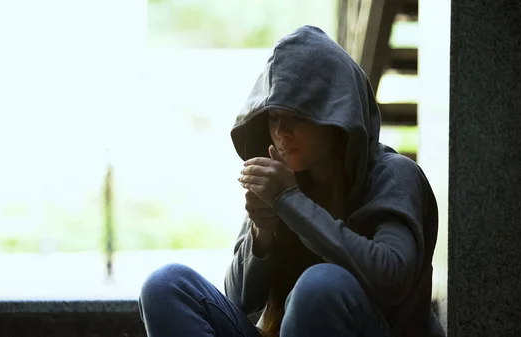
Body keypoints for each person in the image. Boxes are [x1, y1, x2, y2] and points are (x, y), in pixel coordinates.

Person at [138, 25, 445, 337]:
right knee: (166, 285)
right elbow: (238, 298)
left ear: (335, 116)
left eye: (299, 116)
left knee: (320, 285)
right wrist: (262, 231)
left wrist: (290, 201)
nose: (282, 132)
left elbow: (392, 276)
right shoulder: (282, 175)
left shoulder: (393, 175)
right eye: (274, 118)